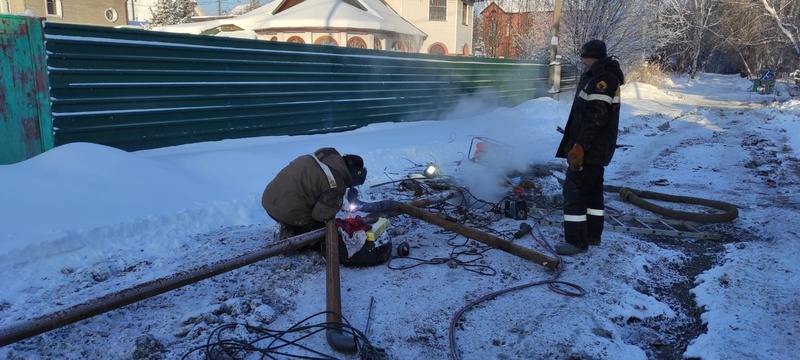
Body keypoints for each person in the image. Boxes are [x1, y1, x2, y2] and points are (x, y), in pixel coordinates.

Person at [554, 39, 625, 256]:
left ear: (591, 55)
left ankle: (576, 241)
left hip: (590, 149)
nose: (581, 59)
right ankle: (593, 235)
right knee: (593, 193)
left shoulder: (603, 79)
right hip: (596, 149)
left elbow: (596, 116)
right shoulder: (596, 75)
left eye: (583, 55)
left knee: (573, 192)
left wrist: (579, 147)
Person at [262, 147, 367, 240]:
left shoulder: (323, 157)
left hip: (269, 199)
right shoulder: (335, 182)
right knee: (321, 231)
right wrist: (336, 205)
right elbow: (320, 215)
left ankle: (287, 223)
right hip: (286, 212)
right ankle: (290, 235)